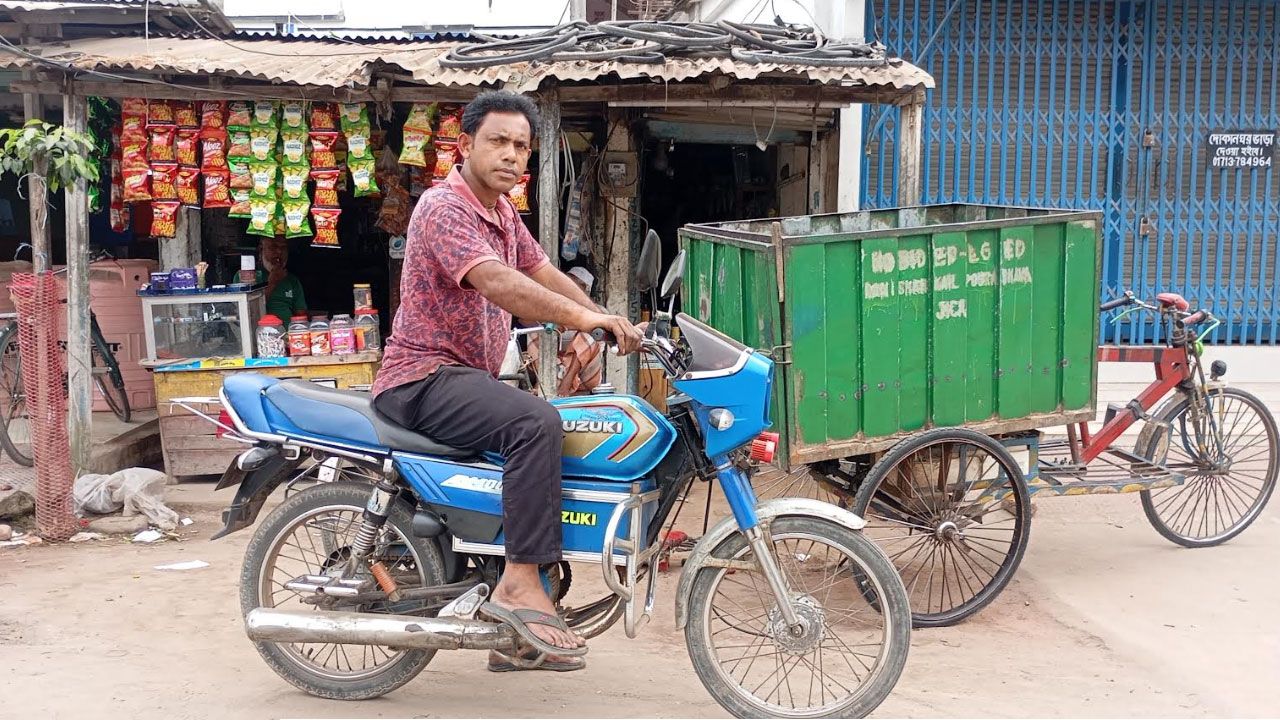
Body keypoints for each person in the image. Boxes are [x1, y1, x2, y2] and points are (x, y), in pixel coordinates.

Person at [370, 91, 644, 672]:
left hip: (461, 378)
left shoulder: (501, 213)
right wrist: (583, 319)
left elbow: (540, 271)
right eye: (498, 141)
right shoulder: (446, 208)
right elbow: (497, 282)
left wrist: (595, 320)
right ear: (465, 145)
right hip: (421, 378)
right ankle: (520, 583)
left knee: (556, 433)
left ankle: (514, 639)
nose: (512, 155)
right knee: (534, 422)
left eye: (521, 146)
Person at [525, 266, 604, 396]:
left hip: (585, 375)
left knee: (590, 335)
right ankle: (544, 381)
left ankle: (566, 383)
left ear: (585, 289)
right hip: (557, 369)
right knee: (536, 332)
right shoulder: (556, 310)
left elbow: (599, 326)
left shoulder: (597, 311)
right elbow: (524, 320)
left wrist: (567, 325)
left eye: (574, 285)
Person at [256, 237, 307, 321]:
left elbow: (301, 315)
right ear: (261, 250)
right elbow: (248, 310)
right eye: (273, 247)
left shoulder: (292, 280)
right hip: (261, 332)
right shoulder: (247, 277)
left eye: (283, 248)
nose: (279, 252)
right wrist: (272, 283)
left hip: (288, 331)